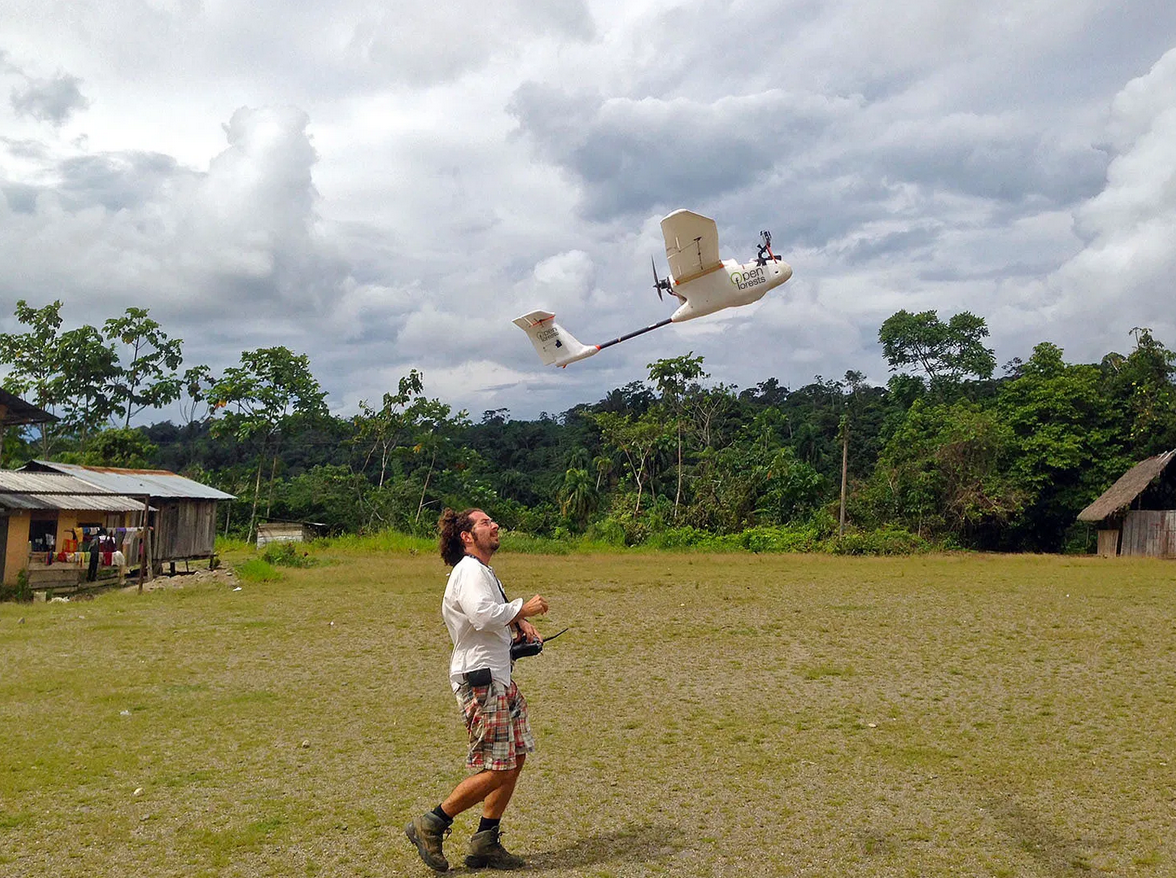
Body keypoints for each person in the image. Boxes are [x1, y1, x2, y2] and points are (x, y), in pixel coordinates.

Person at [405, 508, 549, 872]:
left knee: (514, 757)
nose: (495, 525)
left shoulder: (482, 571)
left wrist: (518, 623)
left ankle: (486, 839)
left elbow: (486, 616)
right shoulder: (468, 570)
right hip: (480, 680)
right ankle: (432, 822)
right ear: (467, 536)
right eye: (485, 522)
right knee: (498, 767)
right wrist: (522, 607)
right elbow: (483, 614)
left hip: (498, 676)